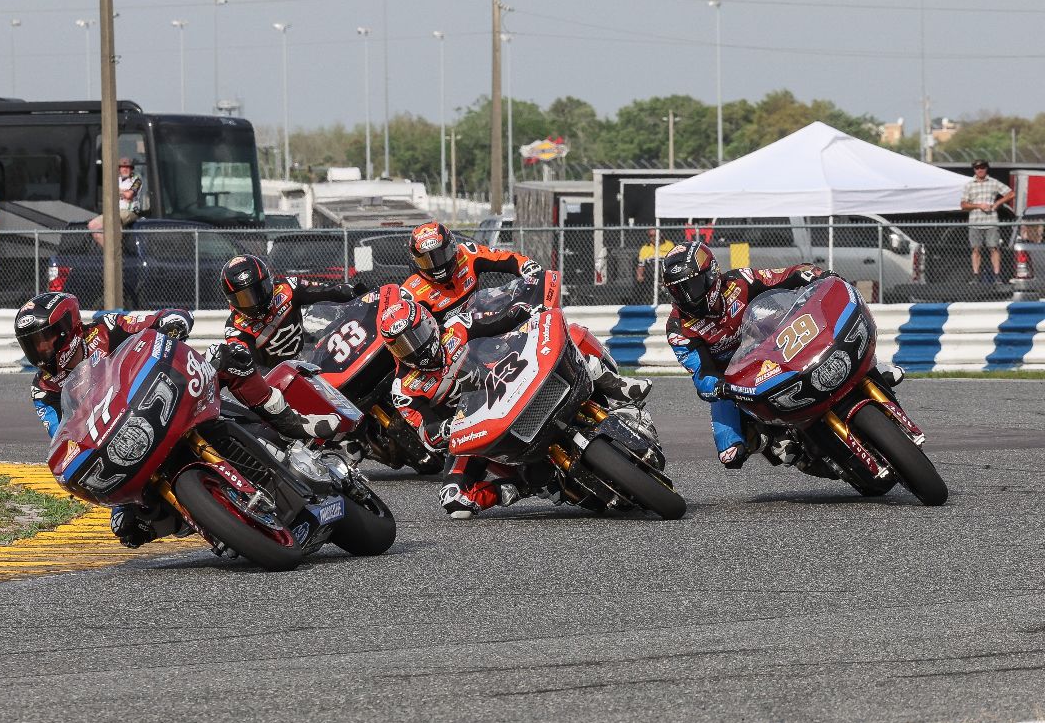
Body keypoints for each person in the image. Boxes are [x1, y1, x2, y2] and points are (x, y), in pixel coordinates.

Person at [15, 291, 339, 548]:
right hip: (128, 437)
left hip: (172, 392)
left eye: (43, 339)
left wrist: (171, 324)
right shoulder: (44, 390)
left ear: (66, 328)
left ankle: (293, 426)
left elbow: (166, 316)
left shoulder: (105, 327)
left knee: (231, 357)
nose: (39, 350)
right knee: (126, 527)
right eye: (31, 344)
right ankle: (211, 520)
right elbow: (65, 436)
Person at [378, 287, 653, 519]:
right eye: (403, 346)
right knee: (455, 501)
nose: (414, 348)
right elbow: (426, 432)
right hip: (480, 424)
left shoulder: (458, 328)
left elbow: (505, 318)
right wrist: (448, 428)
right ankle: (524, 487)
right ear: (393, 351)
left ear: (428, 323)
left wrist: (532, 312)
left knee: (572, 333)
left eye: (416, 336)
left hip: (514, 375)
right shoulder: (404, 389)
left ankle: (614, 384)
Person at [662, 242, 903, 470]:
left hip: (774, 347)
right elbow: (701, 372)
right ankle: (769, 442)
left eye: (691, 287)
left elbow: (786, 275)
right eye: (677, 290)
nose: (686, 296)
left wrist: (818, 275)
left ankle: (870, 367)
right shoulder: (679, 328)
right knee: (730, 453)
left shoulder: (740, 281)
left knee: (831, 332)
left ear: (712, 275)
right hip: (739, 380)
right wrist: (718, 387)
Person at [220, 254, 368, 371]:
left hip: (312, 357)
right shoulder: (235, 329)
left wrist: (354, 292)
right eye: (244, 298)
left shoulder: (287, 288)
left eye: (259, 290)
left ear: (268, 282)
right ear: (231, 300)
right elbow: (251, 368)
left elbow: (327, 291)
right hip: (282, 380)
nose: (255, 301)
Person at [401, 220, 543, 319]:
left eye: (440, 256)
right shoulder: (411, 293)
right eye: (426, 260)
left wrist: (527, 266)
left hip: (482, 323)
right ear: (414, 260)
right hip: (451, 346)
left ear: (452, 247)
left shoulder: (468, 253)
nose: (435, 265)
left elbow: (504, 257)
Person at [960, 159, 1014, 283]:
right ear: (974, 170)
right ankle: (976, 275)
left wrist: (997, 203)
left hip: (991, 221)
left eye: (982, 167)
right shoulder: (969, 185)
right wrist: (979, 206)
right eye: (977, 168)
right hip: (975, 221)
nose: (980, 170)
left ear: (986, 168)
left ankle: (996, 275)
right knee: (975, 249)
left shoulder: (993, 182)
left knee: (994, 248)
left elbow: (1011, 194)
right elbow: (963, 205)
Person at [87, 157, 143, 246]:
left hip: (130, 211)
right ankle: (110, 251)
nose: (125, 169)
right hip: (114, 211)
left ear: (132, 169)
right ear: (119, 169)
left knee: (115, 219)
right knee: (92, 225)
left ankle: (118, 251)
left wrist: (117, 191)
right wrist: (122, 192)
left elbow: (129, 195)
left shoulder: (137, 180)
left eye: (128, 167)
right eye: (122, 167)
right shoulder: (115, 180)